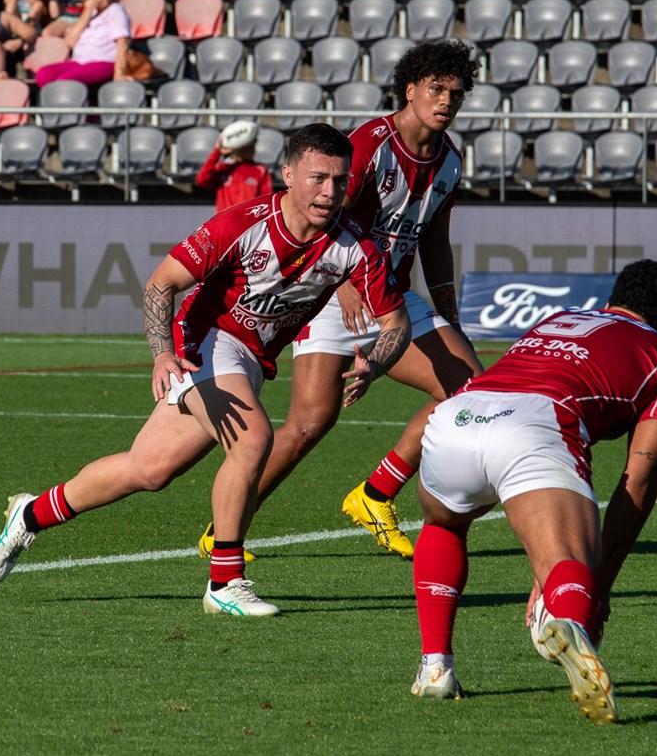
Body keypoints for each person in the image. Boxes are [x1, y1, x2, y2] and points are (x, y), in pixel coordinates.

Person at [0, 123, 411, 618]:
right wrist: (162, 353)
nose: (329, 192)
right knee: (253, 440)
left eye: (339, 180)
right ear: (289, 174)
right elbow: (161, 283)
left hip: (251, 360)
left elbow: (396, 322)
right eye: (318, 178)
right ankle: (225, 582)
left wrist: (375, 362)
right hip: (204, 342)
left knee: (148, 470)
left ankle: (30, 514)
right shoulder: (243, 224)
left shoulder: (355, 245)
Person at [198, 38, 483, 562]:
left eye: (457, 93)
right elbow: (324, 215)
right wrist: (346, 282)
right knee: (309, 424)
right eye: (437, 89)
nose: (447, 101)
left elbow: (436, 243)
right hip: (332, 293)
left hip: (393, 298)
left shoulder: (451, 161)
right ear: (410, 89)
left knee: (469, 388)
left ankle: (376, 493)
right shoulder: (371, 144)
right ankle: (223, 531)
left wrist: (449, 316)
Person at [409, 259, 657, 726]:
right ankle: (569, 619)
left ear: (612, 299)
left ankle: (435, 667)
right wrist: (597, 586)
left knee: (444, 524)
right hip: (536, 425)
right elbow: (638, 480)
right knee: (568, 563)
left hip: (459, 416)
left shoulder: (560, 318)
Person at [34, 0, 129, 88]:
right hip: (80, 61)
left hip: (104, 60)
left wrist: (119, 72)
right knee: (44, 75)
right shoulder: (90, 14)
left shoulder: (115, 10)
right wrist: (87, 12)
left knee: (65, 82)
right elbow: (70, 42)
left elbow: (123, 42)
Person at [195, 119, 273, 215]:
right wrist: (217, 151)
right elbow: (202, 179)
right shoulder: (224, 168)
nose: (252, 149)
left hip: (249, 223)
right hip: (224, 222)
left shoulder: (260, 170)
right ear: (237, 149)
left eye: (252, 145)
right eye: (247, 147)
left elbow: (267, 201)